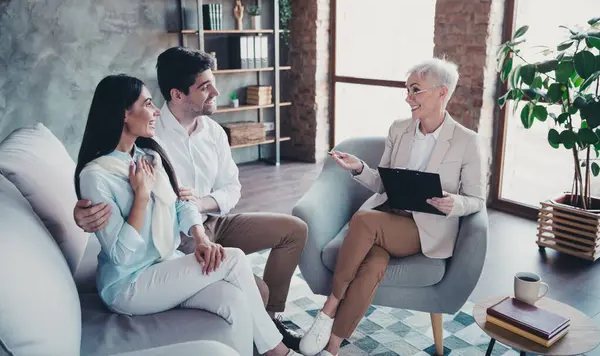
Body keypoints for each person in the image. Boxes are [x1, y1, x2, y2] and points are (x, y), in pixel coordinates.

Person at [72, 48, 307, 349]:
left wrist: (201, 237)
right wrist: (142, 198)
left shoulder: (147, 154)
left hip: (176, 253)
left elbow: (184, 202)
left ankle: (264, 344)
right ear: (124, 114)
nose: (155, 110)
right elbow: (123, 257)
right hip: (129, 283)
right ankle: (279, 352)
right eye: (147, 104)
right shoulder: (98, 174)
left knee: (235, 300)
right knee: (233, 261)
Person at [298, 58, 486, 356]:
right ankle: (333, 346)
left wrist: (454, 203)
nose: (408, 98)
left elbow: (477, 199)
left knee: (363, 221)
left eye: (416, 90)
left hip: (423, 229)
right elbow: (384, 184)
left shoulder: (467, 141)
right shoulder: (399, 130)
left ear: (442, 93)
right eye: (407, 90)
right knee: (372, 266)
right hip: (389, 216)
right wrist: (359, 167)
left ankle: (329, 306)